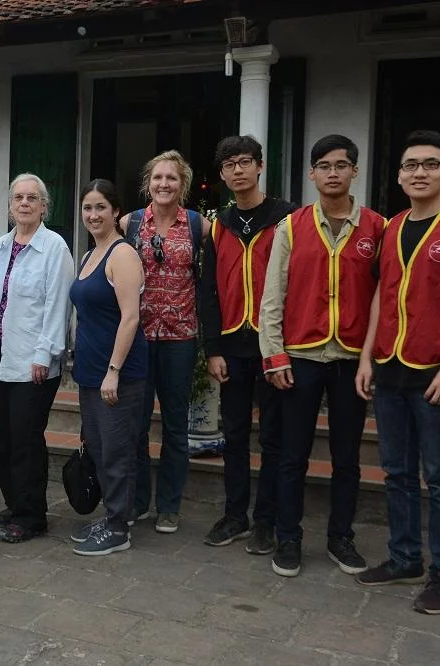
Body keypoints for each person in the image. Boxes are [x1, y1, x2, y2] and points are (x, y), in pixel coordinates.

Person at [355, 130, 440, 615]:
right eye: (411, 165)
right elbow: (381, 294)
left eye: (431, 164)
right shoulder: (392, 228)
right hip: (391, 367)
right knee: (395, 471)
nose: (420, 172)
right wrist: (367, 356)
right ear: (398, 175)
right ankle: (404, 558)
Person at [258, 135, 384, 577]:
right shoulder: (292, 226)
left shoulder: (377, 227)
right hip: (302, 357)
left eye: (342, 165)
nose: (333, 172)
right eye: (325, 166)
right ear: (312, 174)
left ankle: (340, 537)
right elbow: (273, 295)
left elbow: (383, 300)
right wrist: (274, 355)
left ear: (354, 171)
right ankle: (288, 538)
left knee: (347, 458)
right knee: (292, 455)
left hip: (352, 360)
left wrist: (372, 357)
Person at [201, 135, 297, 553]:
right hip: (231, 347)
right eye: (229, 165)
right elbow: (207, 289)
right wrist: (212, 348)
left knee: (273, 437)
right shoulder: (219, 225)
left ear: (260, 166)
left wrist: (286, 348)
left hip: (273, 346)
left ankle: (267, 521)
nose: (237, 170)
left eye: (244, 162)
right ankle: (235, 514)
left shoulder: (287, 218)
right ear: (222, 174)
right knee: (235, 436)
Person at [121, 149, 211, 535]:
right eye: (158, 177)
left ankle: (169, 506)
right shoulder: (129, 223)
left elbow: (213, 281)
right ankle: (139, 501)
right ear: (148, 182)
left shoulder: (198, 226)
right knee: (136, 425)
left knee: (175, 426)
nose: (164, 184)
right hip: (137, 337)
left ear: (182, 185)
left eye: (171, 178)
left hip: (180, 338)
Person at [0, 174, 74, 543]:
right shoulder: (2, 245)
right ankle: (14, 503)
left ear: (43, 206)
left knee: (26, 438)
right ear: (10, 205)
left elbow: (58, 306)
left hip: (35, 358)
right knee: (4, 437)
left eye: (32, 198)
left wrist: (44, 354)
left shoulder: (55, 248)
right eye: (18, 197)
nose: (24, 203)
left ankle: (32, 515)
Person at [70, 179, 147, 555]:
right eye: (88, 207)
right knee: (100, 450)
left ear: (116, 211)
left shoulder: (123, 255)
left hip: (118, 373)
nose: (93, 214)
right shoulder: (89, 256)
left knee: (117, 452)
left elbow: (130, 317)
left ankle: (119, 527)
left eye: (101, 207)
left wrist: (113, 370)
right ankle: (112, 514)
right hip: (89, 370)